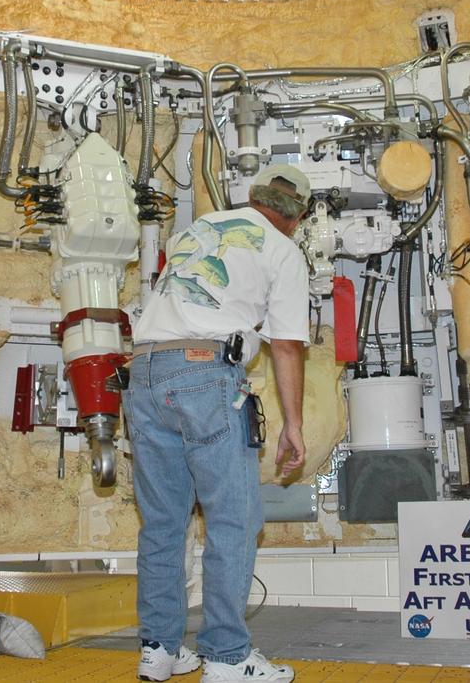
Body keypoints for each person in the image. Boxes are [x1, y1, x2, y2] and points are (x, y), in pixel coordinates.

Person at [127, 164, 311, 683]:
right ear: (297, 218)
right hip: (204, 376)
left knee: (164, 523)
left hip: (143, 375)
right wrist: (293, 425)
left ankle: (160, 650)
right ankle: (228, 657)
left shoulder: (199, 228)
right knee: (232, 519)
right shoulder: (282, 249)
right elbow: (287, 346)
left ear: (254, 197)